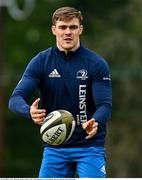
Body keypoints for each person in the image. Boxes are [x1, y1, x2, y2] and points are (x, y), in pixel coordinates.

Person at [8, 6, 112, 178]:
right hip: (55, 147)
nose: (67, 32)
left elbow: (105, 105)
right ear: (54, 30)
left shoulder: (96, 64)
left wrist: (96, 120)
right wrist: (29, 111)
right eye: (63, 27)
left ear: (80, 29)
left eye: (72, 27)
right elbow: (15, 99)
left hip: (89, 146)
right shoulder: (41, 62)